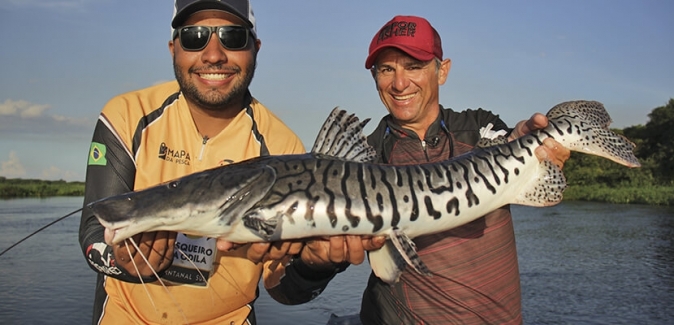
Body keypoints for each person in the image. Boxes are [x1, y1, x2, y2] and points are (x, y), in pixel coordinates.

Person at [78, 1, 381, 324]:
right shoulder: (127, 115)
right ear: (173, 48)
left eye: (232, 37)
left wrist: (316, 266)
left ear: (256, 48)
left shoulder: (283, 146)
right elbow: (94, 230)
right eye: (194, 37)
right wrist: (122, 259)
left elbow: (281, 288)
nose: (213, 55)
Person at [357, 15, 571, 324]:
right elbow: (292, 290)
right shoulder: (363, 158)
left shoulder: (478, 128)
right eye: (386, 69)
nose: (399, 83)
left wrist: (528, 145)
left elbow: (510, 142)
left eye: (414, 66)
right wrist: (316, 262)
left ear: (441, 71)